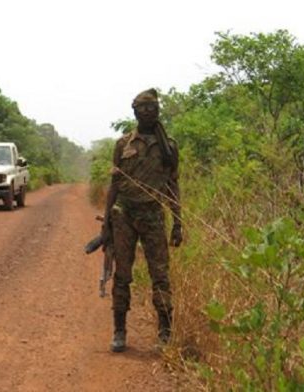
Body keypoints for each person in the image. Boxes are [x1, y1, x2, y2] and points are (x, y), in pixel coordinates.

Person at [102, 88, 183, 352]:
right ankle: (119, 331)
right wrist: (107, 222)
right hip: (124, 215)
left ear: (158, 111)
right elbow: (115, 184)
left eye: (153, 109)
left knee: (160, 275)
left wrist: (178, 222)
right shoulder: (123, 144)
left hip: (153, 215)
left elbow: (172, 186)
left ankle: (165, 333)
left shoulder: (168, 147)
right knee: (122, 274)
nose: (148, 113)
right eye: (143, 109)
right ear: (135, 112)